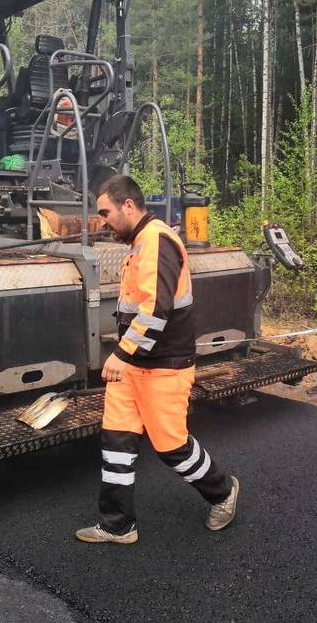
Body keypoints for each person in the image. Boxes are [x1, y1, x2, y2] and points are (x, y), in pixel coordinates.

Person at [75, 175, 239, 544]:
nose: (102, 221)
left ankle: (224, 492)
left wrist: (119, 353)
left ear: (128, 206)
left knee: (171, 447)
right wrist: (126, 357)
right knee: (117, 441)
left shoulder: (157, 241)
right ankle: (118, 525)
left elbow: (155, 311)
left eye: (106, 212)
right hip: (134, 368)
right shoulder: (138, 244)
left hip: (165, 367)